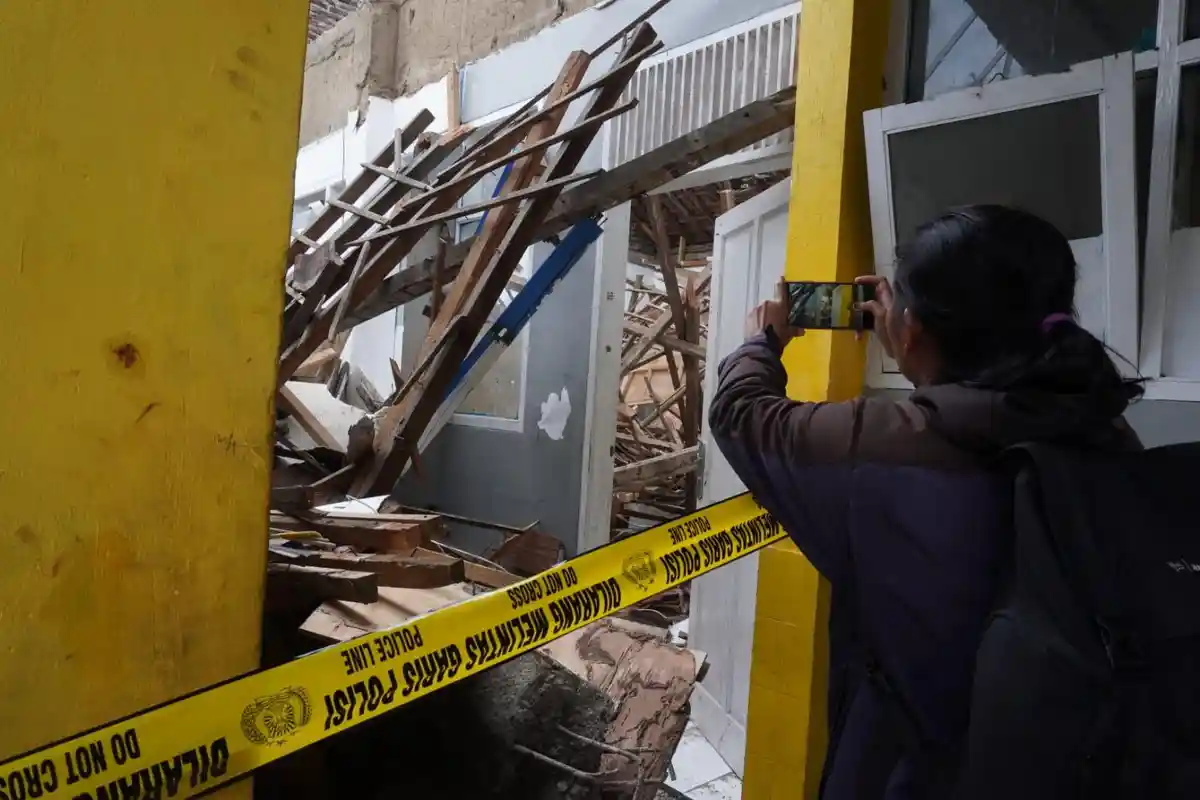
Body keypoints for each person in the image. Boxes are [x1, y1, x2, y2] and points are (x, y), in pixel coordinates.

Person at [708, 205, 1143, 799]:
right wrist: (922, 352)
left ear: (911, 330)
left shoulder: (879, 448)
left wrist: (764, 339)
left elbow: (740, 414)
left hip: (916, 773)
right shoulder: (1108, 432)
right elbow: (982, 413)